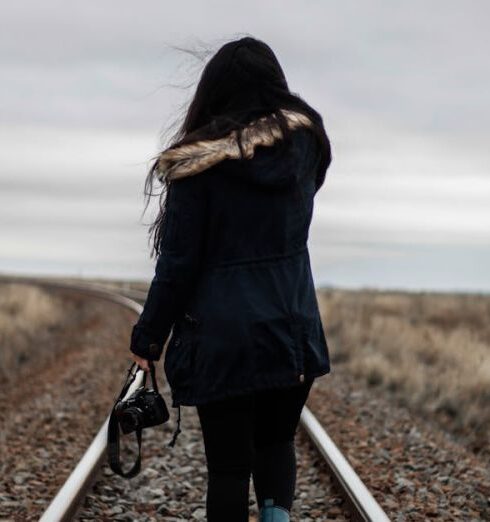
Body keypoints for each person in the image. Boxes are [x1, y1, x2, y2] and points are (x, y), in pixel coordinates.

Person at [129, 35, 332, 522]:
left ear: (212, 93)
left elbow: (178, 266)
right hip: (291, 328)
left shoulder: (195, 167)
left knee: (228, 468)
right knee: (277, 442)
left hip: (223, 340)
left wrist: (148, 337)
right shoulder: (303, 152)